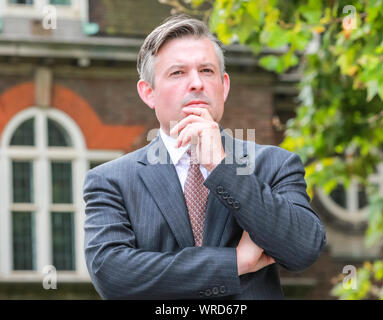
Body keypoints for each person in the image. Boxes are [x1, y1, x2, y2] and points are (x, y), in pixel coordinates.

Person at [83, 14, 326, 300]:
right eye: (178, 73)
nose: (196, 83)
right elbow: (111, 274)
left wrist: (222, 168)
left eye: (207, 71)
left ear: (224, 86)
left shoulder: (275, 165)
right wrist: (234, 264)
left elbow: (303, 249)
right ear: (148, 93)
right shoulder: (111, 181)